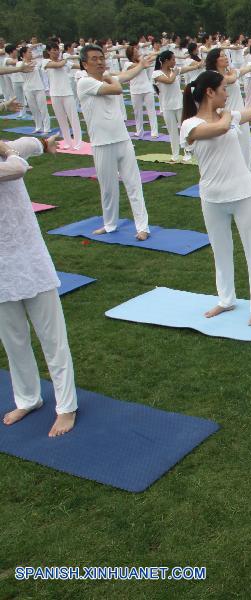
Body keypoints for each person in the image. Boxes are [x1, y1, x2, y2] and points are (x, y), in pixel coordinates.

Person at [180, 71, 251, 327]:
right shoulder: (190, 125)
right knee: (220, 251)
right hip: (212, 197)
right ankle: (226, 299)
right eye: (223, 88)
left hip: (243, 192)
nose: (227, 92)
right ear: (210, 92)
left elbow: (246, 114)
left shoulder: (229, 115)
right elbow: (221, 127)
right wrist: (228, 116)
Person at [0, 134, 78, 437]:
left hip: (31, 259)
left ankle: (67, 406)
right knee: (13, 340)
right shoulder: (7, 156)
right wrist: (7, 149)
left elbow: (25, 145)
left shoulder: (6, 150)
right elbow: (17, 167)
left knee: (53, 338)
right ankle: (28, 398)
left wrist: (43, 143)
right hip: (3, 268)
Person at [77, 44, 155, 240]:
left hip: (122, 139)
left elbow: (126, 77)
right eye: (94, 59)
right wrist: (112, 76)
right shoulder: (84, 82)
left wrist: (142, 66)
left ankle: (142, 226)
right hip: (101, 143)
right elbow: (117, 87)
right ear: (85, 64)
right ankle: (110, 224)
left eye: (101, 58)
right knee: (108, 188)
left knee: (134, 183)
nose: (100, 62)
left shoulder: (106, 78)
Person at [205, 47, 251, 180]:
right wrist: (234, 74)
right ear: (214, 60)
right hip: (225, 117)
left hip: (240, 116)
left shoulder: (229, 72)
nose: (226, 58)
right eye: (222, 56)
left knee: (246, 150)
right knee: (230, 151)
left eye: (226, 55)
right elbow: (229, 79)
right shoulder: (214, 75)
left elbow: (244, 70)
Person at [153, 49, 201, 162]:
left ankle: (188, 152)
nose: (175, 62)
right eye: (173, 59)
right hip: (167, 107)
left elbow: (189, 68)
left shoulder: (175, 71)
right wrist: (175, 71)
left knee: (184, 129)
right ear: (166, 61)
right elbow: (169, 80)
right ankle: (175, 154)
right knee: (172, 131)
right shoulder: (156, 73)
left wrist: (198, 65)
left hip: (179, 104)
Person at [43, 43, 83, 149]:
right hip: (55, 94)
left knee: (73, 118)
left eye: (57, 50)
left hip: (67, 93)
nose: (56, 52)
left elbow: (79, 66)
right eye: (54, 50)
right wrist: (65, 59)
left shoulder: (65, 62)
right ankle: (67, 142)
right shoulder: (46, 62)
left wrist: (88, 66)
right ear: (48, 51)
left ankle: (78, 143)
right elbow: (57, 65)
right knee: (61, 119)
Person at [123, 44, 158, 138]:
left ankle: (154, 132)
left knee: (151, 111)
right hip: (135, 90)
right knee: (137, 112)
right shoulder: (128, 64)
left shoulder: (141, 61)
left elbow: (150, 59)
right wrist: (145, 59)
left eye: (137, 51)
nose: (137, 53)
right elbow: (140, 65)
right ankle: (139, 131)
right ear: (131, 55)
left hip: (147, 89)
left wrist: (154, 55)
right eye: (135, 52)